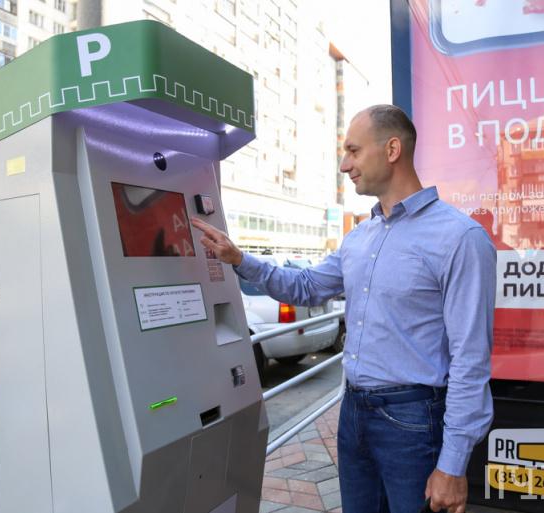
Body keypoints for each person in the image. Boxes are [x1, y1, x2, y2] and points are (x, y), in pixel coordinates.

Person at [191, 105, 495, 513]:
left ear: (392, 150)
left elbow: (470, 359)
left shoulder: (460, 238)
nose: (344, 165)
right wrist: (239, 259)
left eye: (353, 150)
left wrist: (453, 464)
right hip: (353, 414)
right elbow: (306, 286)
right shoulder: (359, 238)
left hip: (413, 421)